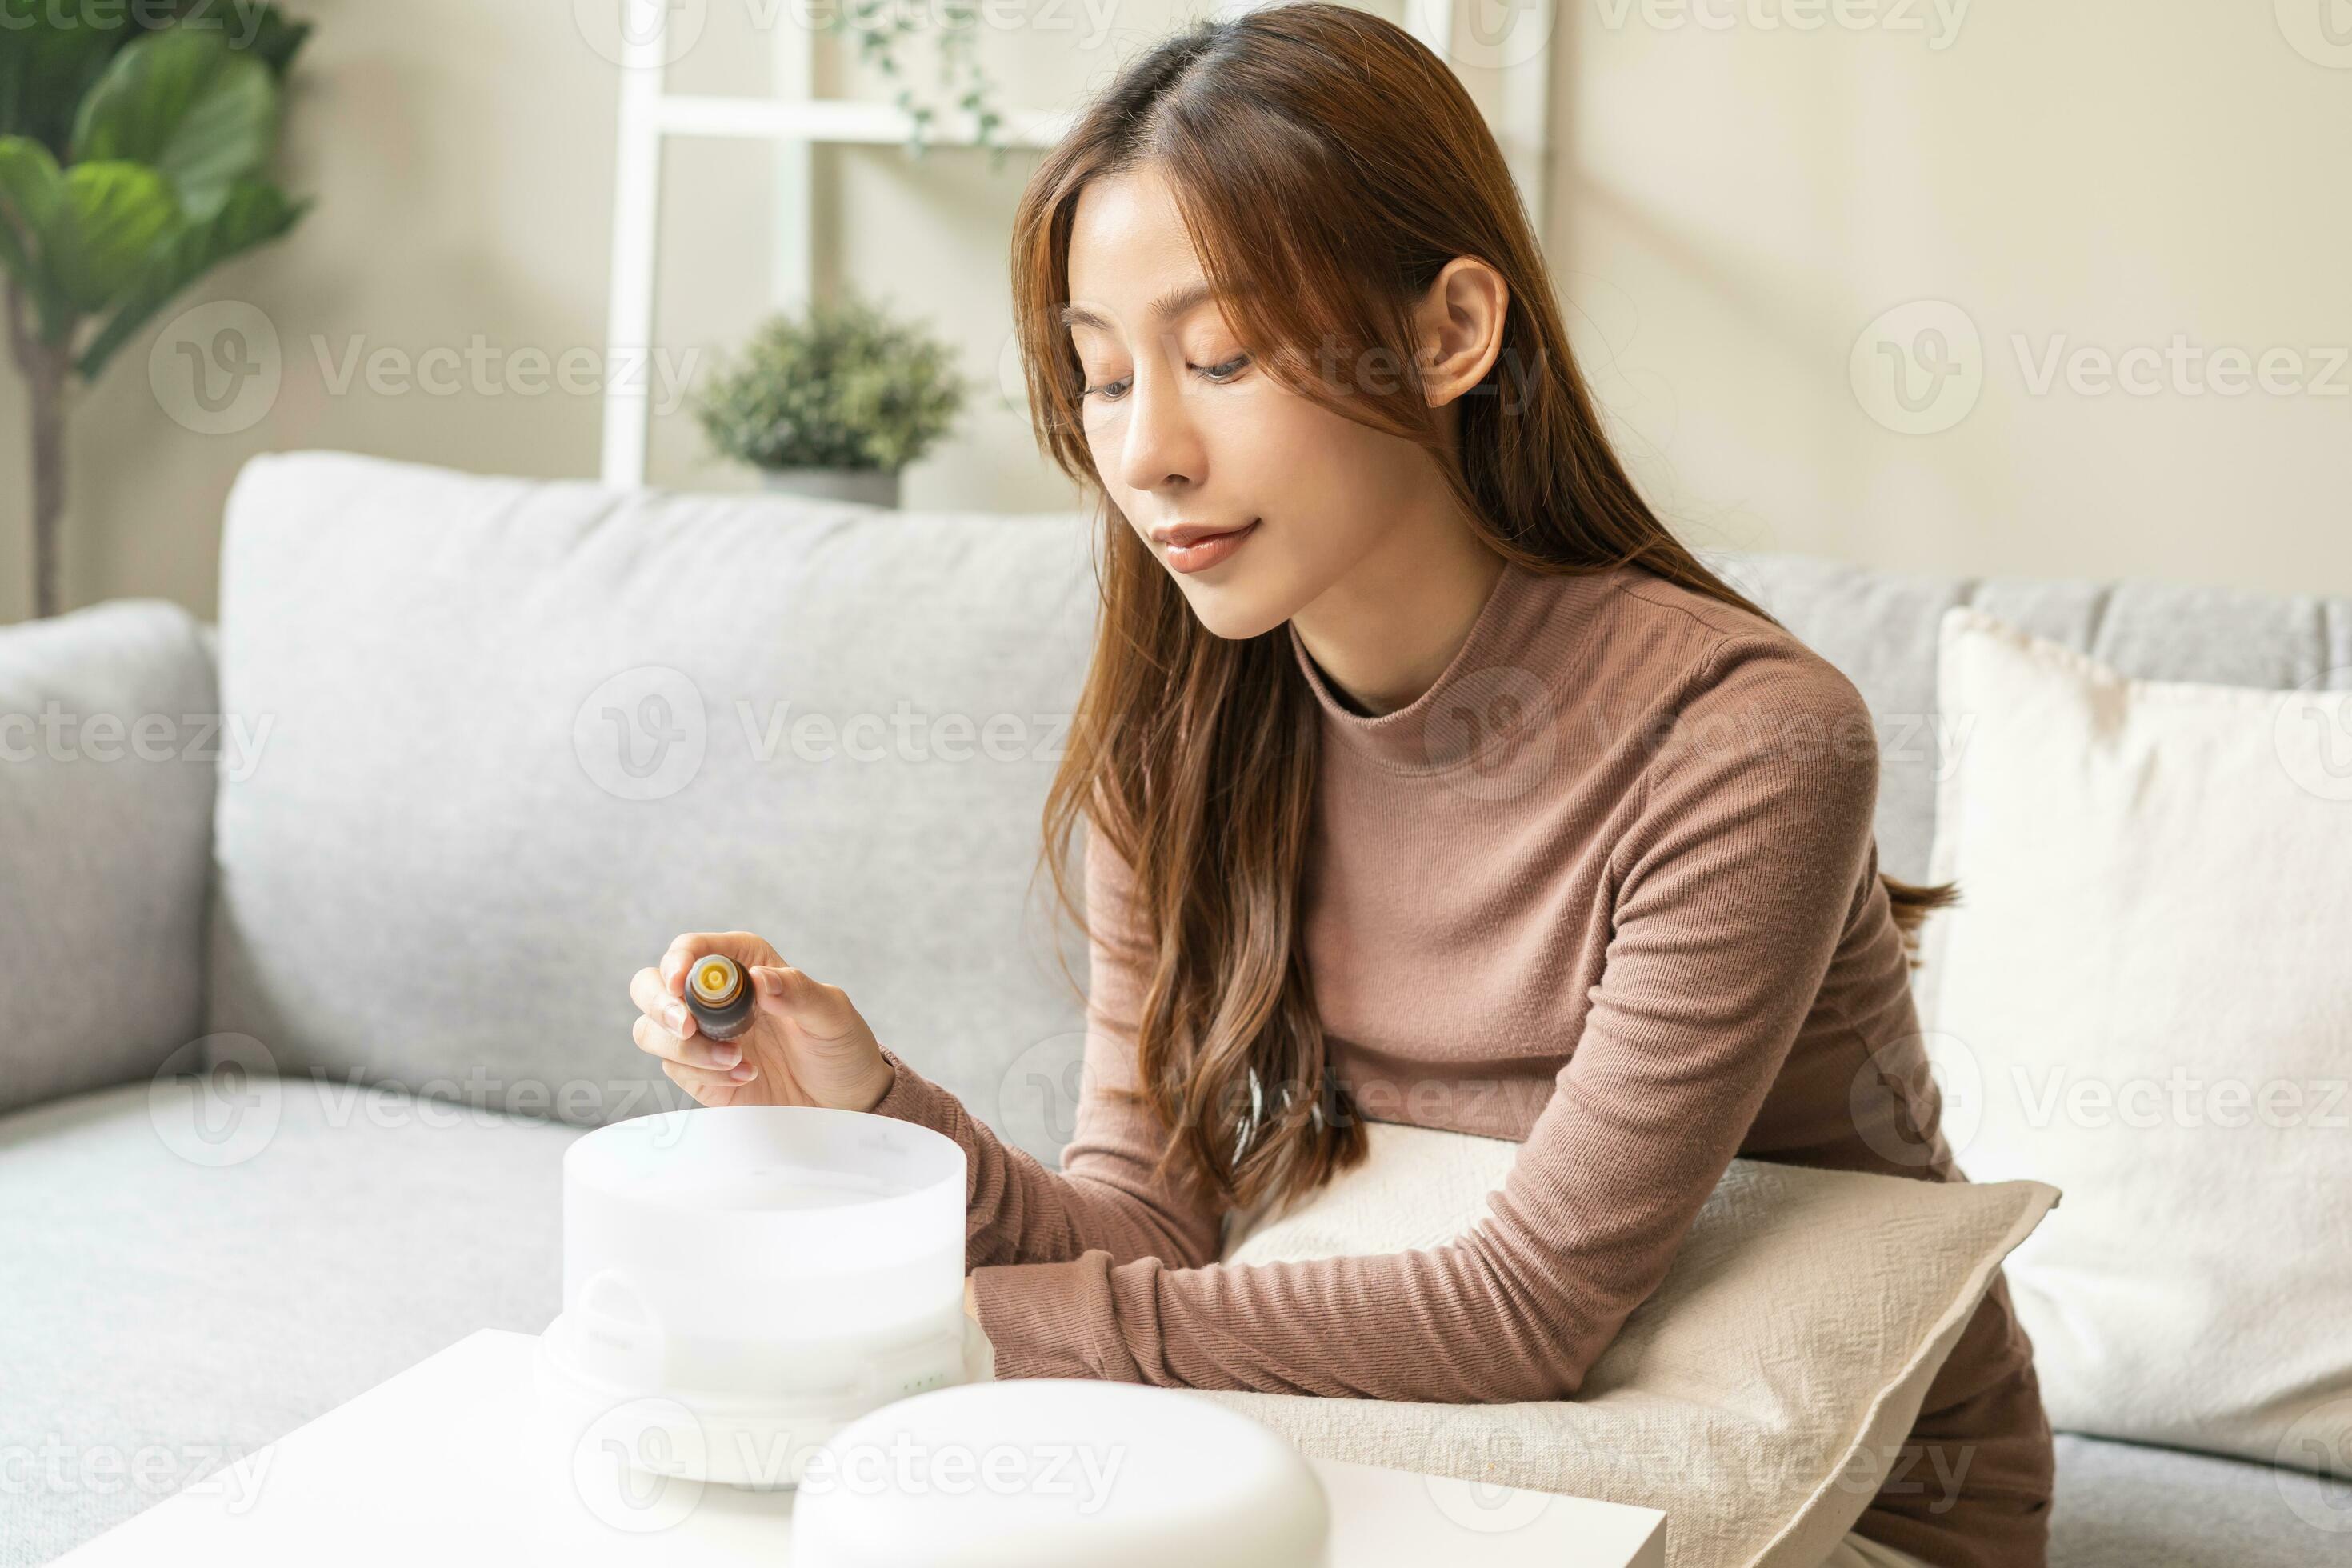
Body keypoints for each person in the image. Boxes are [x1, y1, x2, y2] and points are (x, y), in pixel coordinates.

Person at [628, 7, 2052, 1564]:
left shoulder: (1746, 739)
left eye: (1221, 356)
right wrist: (871, 1118)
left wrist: (948, 1320)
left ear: (1450, 331)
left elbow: (1529, 1310)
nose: (1149, 451)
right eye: (1101, 379)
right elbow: (1146, 1234)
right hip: (1444, 1450)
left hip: (1826, 1488)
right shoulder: (1177, 752)